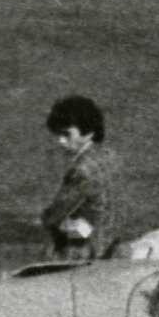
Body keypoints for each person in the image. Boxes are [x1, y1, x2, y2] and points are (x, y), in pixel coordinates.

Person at [38, 93, 115, 260]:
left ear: (88, 133)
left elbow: (57, 212)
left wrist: (47, 220)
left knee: (55, 232)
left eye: (67, 135)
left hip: (93, 244)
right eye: (58, 135)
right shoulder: (110, 156)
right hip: (114, 233)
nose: (61, 141)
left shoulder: (81, 169)